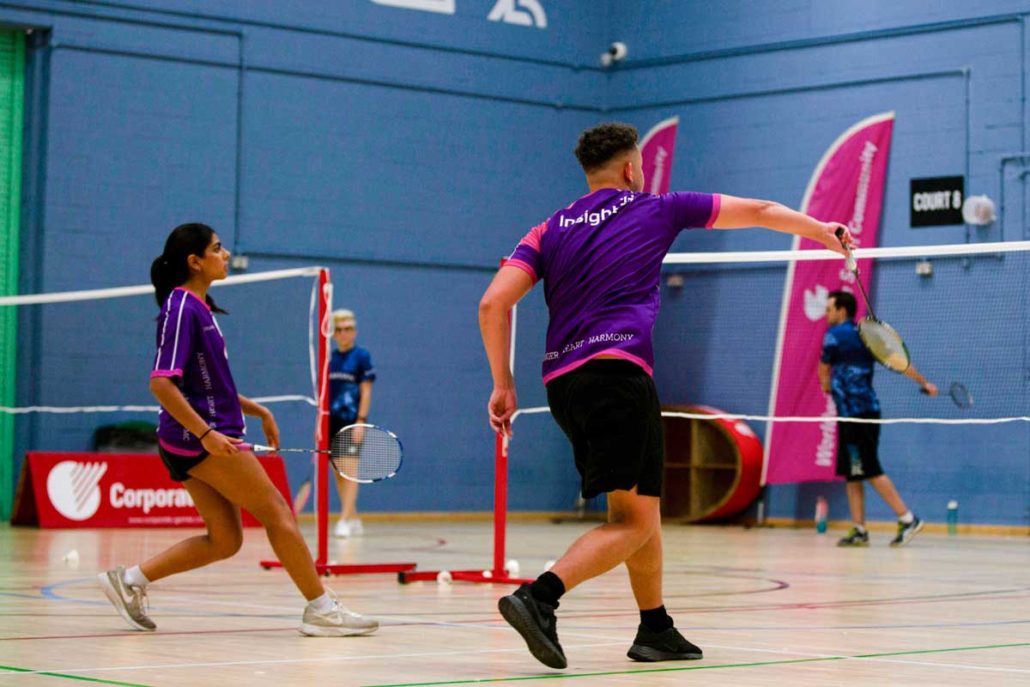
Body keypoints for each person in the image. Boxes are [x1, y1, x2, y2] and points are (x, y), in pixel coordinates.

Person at [478, 122, 850, 669]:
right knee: (631, 523)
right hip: (618, 378)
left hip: (563, 384)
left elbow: (493, 304)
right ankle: (541, 598)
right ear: (631, 169)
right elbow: (763, 210)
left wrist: (503, 383)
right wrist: (822, 232)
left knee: (638, 511)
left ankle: (655, 628)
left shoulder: (547, 230)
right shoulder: (657, 207)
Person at [97, 223, 378, 637]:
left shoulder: (200, 307)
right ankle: (321, 608)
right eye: (217, 248)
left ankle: (131, 580)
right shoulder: (180, 308)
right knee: (277, 512)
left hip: (197, 436)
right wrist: (207, 434)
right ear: (195, 261)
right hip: (202, 439)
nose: (225, 254)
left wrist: (257, 409)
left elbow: (207, 383)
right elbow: (161, 382)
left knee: (225, 540)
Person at [819, 289, 938, 547]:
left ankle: (908, 519)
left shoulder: (833, 336)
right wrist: (924, 382)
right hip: (861, 412)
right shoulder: (866, 335)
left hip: (856, 414)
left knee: (869, 468)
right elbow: (898, 361)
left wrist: (827, 385)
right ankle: (859, 529)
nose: (826, 314)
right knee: (854, 472)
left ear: (841, 310)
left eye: (829, 309)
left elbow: (823, 369)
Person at [328, 309, 376, 538]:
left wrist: (361, 421)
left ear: (354, 331)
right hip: (331, 422)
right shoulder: (330, 359)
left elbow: (366, 391)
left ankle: (344, 519)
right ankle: (353, 517)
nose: (344, 333)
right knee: (338, 472)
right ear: (334, 333)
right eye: (339, 330)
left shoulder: (361, 357)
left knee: (350, 471)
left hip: (352, 422)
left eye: (348, 329)